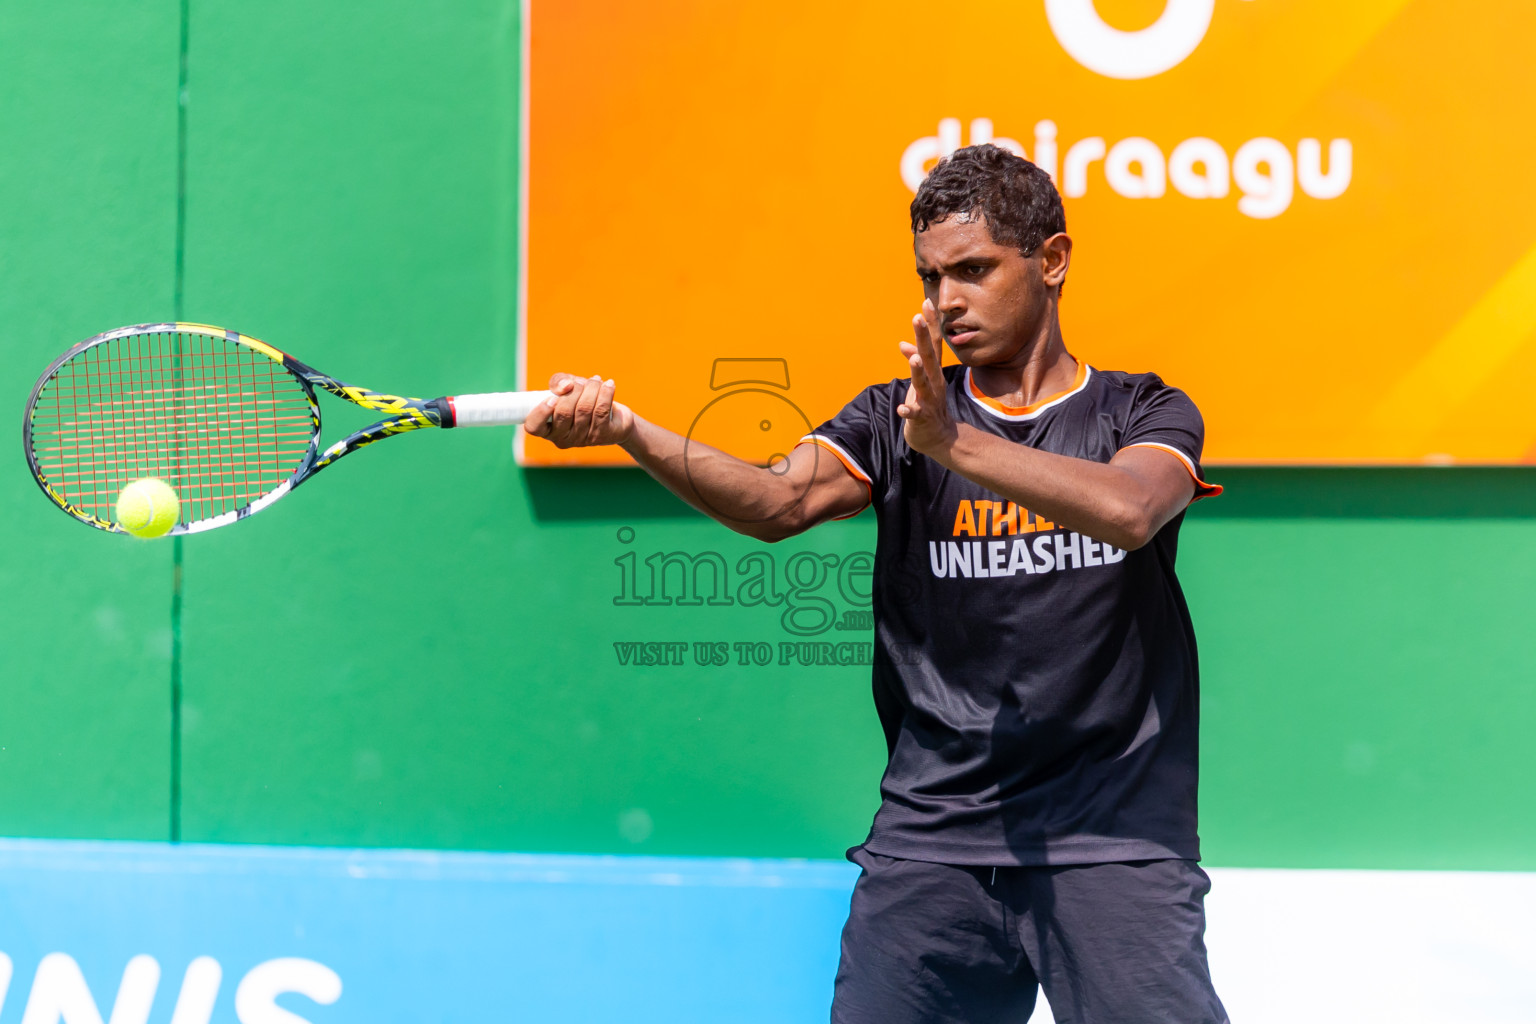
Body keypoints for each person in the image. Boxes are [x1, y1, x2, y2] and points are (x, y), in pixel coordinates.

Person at [525, 144, 1228, 1024]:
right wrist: (630, 429)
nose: (948, 301)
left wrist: (956, 446)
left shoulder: (1143, 410)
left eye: (973, 270)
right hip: (932, 842)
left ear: (1052, 260)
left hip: (1113, 840)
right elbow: (776, 500)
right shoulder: (892, 419)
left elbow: (1130, 510)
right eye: (932, 278)